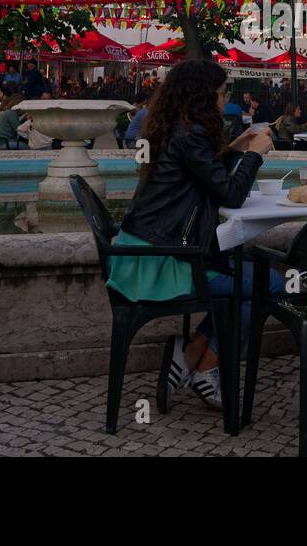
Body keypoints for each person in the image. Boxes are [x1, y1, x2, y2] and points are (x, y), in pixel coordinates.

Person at [115, 59, 278, 409]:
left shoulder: (175, 128)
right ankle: (206, 366)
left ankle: (190, 353)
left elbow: (202, 173)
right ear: (203, 97)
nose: (224, 101)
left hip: (148, 247)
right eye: (221, 93)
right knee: (269, 285)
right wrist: (254, 156)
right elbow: (231, 195)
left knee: (250, 275)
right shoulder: (192, 134)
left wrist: (233, 149)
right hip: (165, 261)